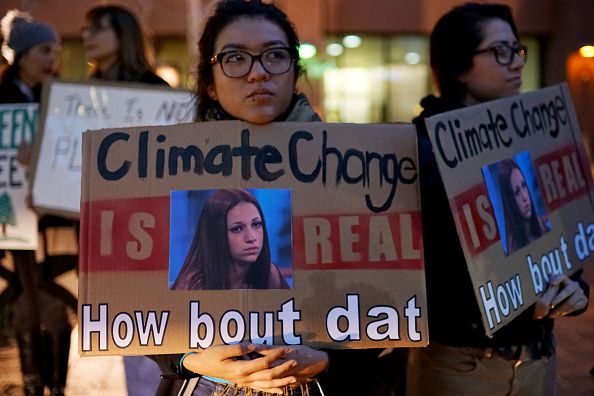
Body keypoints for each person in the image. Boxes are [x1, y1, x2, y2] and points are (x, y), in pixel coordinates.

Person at [408, 3, 589, 396]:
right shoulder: (419, 153)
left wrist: (574, 291)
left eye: (517, 50)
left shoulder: (534, 139)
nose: (517, 63)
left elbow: (556, 240)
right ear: (458, 64)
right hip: (461, 366)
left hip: (539, 358)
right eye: (500, 51)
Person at [151, 1, 328, 395]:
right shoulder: (160, 170)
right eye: (235, 57)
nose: (258, 71)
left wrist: (328, 358)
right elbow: (141, 318)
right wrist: (190, 360)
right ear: (210, 82)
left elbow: (384, 306)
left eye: (275, 55)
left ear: (294, 72)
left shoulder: (348, 168)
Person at [0, 10, 72, 396]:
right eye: (45, 50)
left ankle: (58, 385)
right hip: (10, 221)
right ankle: (32, 384)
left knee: (55, 300)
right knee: (24, 302)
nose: (52, 60)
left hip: (52, 220)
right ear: (22, 54)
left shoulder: (62, 100)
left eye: (56, 51)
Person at [172, 188, 289, 290]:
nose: (251, 237)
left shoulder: (269, 274)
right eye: (237, 229)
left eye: (256, 224)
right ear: (216, 235)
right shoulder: (191, 286)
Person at [82, 4, 167, 84]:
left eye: (97, 29)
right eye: (86, 30)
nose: (86, 35)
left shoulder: (152, 87)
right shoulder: (88, 85)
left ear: (123, 35)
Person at [498, 158, 549, 255]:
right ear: (510, 202)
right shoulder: (515, 249)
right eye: (517, 192)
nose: (525, 196)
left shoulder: (540, 224)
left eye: (524, 185)